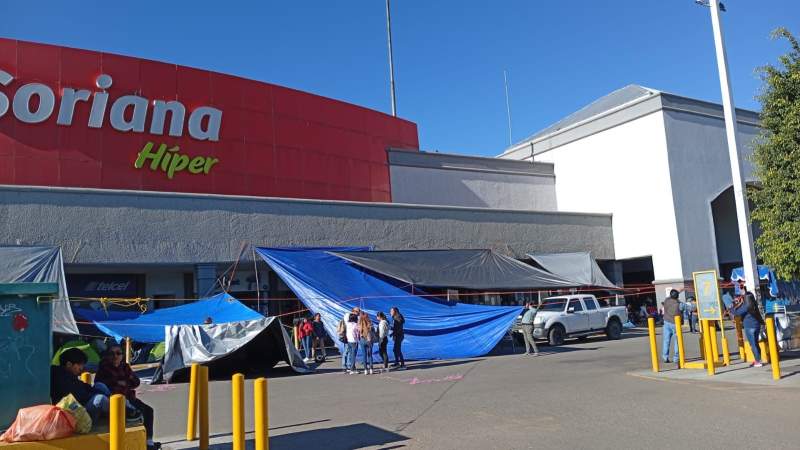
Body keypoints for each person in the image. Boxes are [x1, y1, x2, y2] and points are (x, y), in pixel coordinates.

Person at [50, 348, 142, 427]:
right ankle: (125, 412)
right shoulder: (61, 378)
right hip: (77, 411)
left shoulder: (70, 375)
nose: (82, 368)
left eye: (118, 354)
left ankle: (126, 407)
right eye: (80, 365)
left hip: (86, 401)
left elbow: (83, 386)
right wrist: (99, 394)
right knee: (100, 399)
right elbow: (79, 396)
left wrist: (102, 393)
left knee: (100, 386)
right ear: (69, 364)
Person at [96, 344, 160, 450]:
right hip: (115, 401)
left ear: (122, 355)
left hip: (129, 397)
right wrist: (121, 382)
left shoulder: (124, 366)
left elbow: (136, 382)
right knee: (139, 413)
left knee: (149, 410)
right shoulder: (104, 367)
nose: (115, 356)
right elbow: (101, 384)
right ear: (107, 355)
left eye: (118, 353)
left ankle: (148, 442)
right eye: (112, 353)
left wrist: (123, 382)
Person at [732, 292, 765, 367]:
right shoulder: (754, 304)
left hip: (749, 326)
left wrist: (731, 308)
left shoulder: (746, 306)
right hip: (756, 325)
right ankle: (758, 359)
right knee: (755, 343)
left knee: (753, 344)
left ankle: (758, 361)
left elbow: (736, 313)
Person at [661, 289, 683, 364]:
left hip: (666, 322)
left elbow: (670, 297)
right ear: (677, 296)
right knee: (677, 341)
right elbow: (689, 308)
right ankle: (676, 358)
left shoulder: (666, 300)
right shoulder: (679, 304)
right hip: (675, 324)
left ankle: (665, 357)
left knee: (666, 340)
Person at [344, 309, 361, 374]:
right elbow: (358, 332)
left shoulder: (348, 324)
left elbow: (347, 315)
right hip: (354, 341)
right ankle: (352, 369)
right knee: (354, 355)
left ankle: (352, 367)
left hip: (349, 340)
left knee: (351, 354)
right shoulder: (356, 325)